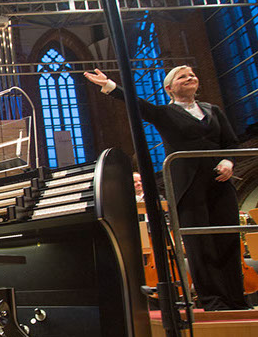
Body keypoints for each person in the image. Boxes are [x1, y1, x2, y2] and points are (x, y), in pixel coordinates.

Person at [84, 66, 248, 311]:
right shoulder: (165, 113)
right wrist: (109, 85)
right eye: (182, 76)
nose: (190, 77)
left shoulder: (213, 111)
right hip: (189, 184)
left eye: (192, 74)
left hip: (220, 182)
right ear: (169, 88)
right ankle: (213, 300)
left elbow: (231, 142)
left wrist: (228, 161)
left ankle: (236, 298)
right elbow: (137, 104)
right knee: (199, 242)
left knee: (228, 237)